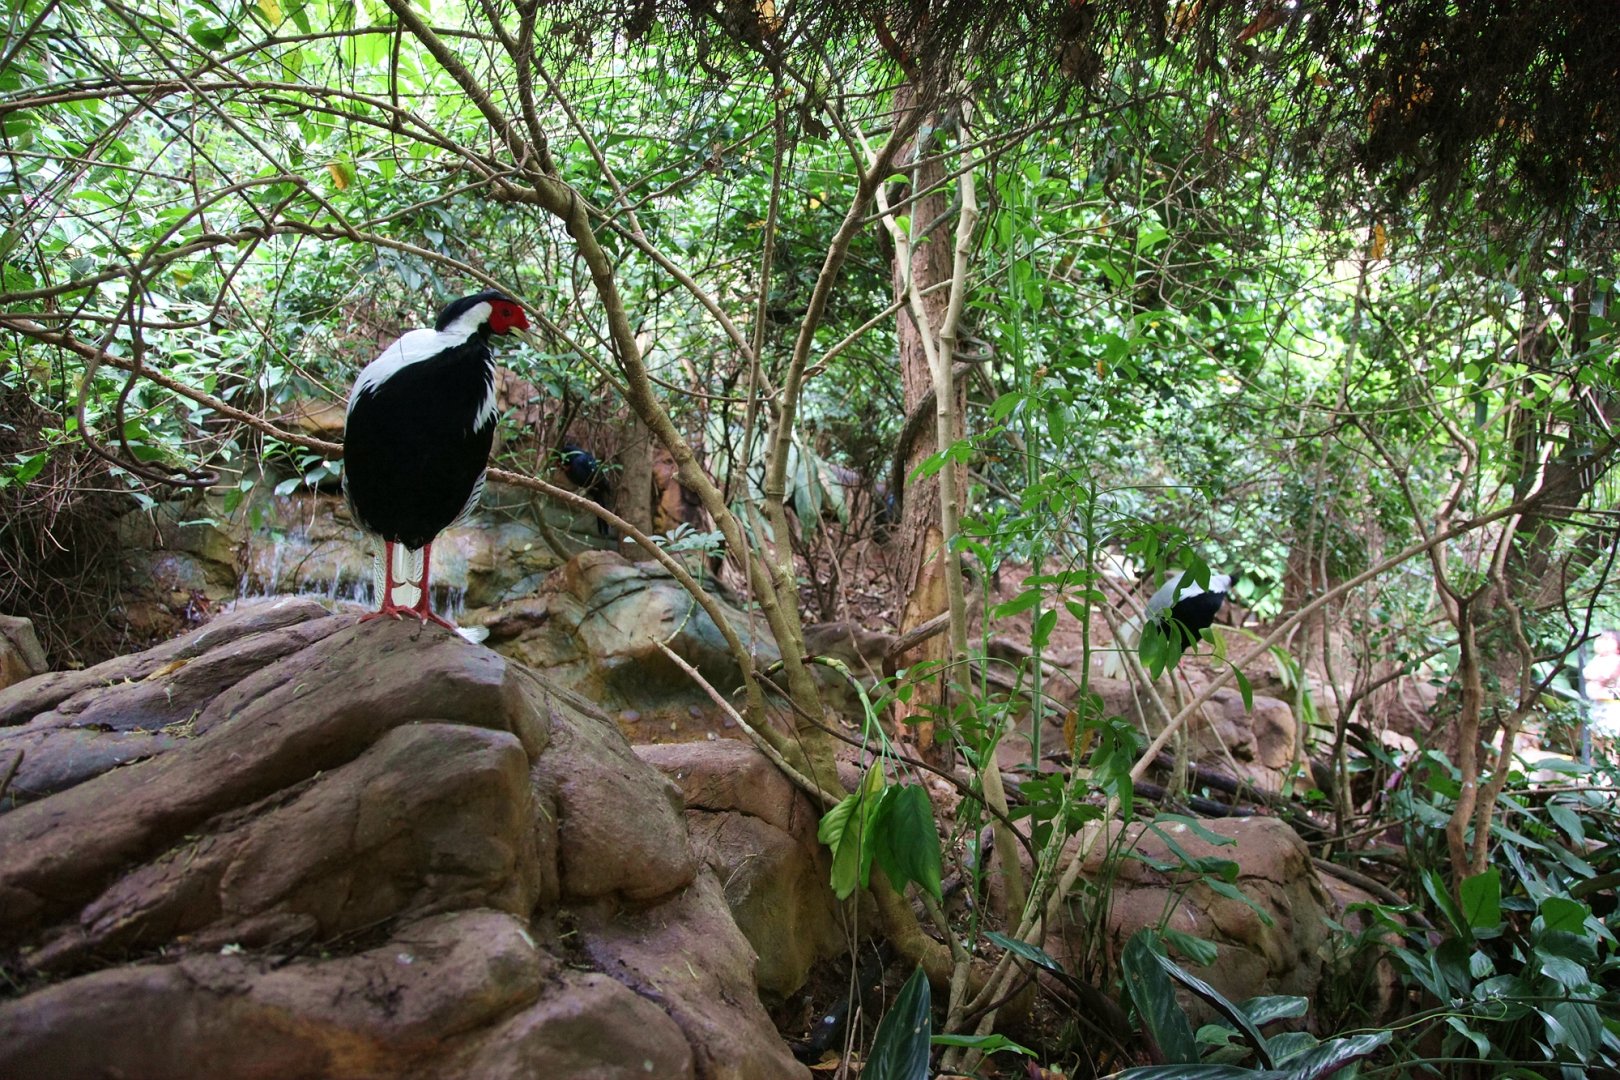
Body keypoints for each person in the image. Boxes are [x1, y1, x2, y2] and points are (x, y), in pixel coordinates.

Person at [1582, 632, 1620, 737]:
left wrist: (1598, 679)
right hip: (1596, 702)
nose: (1602, 642)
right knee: (1595, 734)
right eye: (1601, 639)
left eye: (1607, 639)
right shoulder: (1597, 659)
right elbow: (1586, 673)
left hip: (1611, 704)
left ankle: (1610, 753)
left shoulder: (1616, 660)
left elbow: (1607, 677)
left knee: (1609, 735)